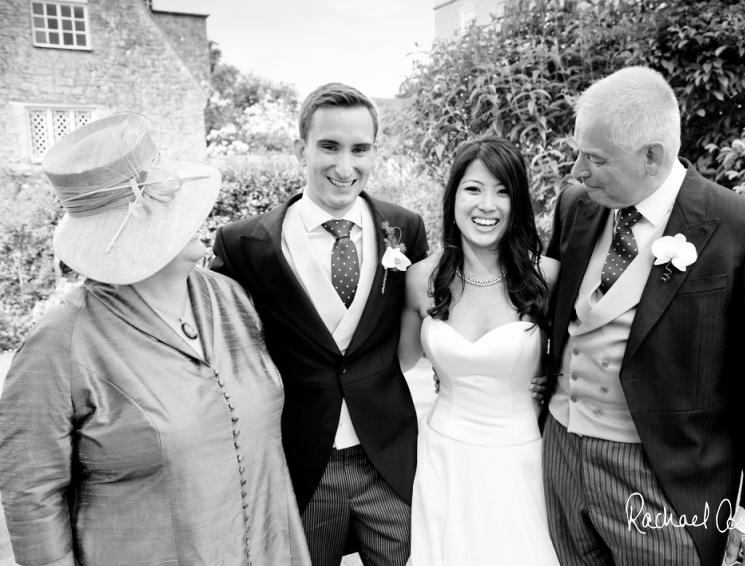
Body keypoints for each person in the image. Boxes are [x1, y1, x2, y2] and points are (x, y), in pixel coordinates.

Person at [0, 112, 311, 566]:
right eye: (172, 203)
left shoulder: (230, 298)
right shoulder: (59, 345)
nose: (198, 210)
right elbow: (31, 496)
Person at [542, 66, 745, 566]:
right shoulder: (576, 205)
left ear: (652, 157)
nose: (576, 171)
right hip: (560, 454)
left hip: (666, 480)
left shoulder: (743, 228)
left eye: (594, 159)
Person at [210, 83, 429, 566]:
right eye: (329, 146)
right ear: (300, 149)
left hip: (389, 460)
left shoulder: (406, 228)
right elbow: (219, 351)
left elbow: (430, 320)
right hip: (299, 466)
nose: (345, 166)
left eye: (360, 149)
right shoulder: (243, 244)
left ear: (375, 151)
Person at [397, 136, 561, 565]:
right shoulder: (420, 279)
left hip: (521, 455)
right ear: (453, 196)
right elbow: (398, 361)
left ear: (518, 203)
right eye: (473, 189)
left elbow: (576, 361)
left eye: (502, 191)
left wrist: (550, 379)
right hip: (444, 456)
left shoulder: (547, 277)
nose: (487, 205)